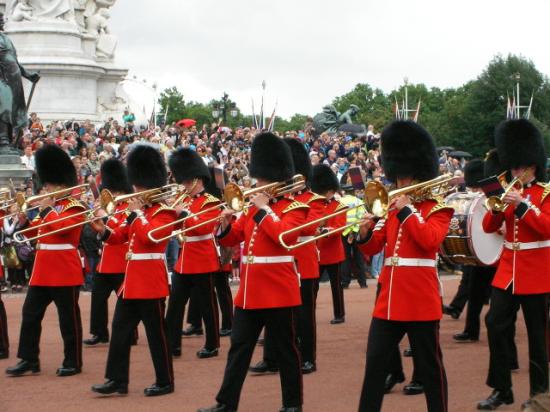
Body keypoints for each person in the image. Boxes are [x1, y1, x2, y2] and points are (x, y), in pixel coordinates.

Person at [198, 132, 307, 412]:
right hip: (250, 292)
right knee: (239, 349)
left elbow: (285, 236)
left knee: (286, 350)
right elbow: (232, 238)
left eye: (261, 180)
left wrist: (262, 210)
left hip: (279, 291)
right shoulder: (250, 208)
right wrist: (223, 225)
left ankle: (293, 404)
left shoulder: (294, 208)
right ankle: (226, 403)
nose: (256, 185)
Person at [357, 121, 453, 412]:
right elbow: (373, 248)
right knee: (375, 363)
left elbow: (429, 241)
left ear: (419, 175)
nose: (399, 184)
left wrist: (408, 210)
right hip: (389, 300)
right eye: (397, 177)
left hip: (420, 299)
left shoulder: (437, 208)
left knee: (430, 367)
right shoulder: (391, 209)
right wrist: (363, 232)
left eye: (405, 178)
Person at [90, 145, 176, 397]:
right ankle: (117, 380)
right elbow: (120, 238)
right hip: (131, 282)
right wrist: (101, 229)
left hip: (150, 281)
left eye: (139, 186)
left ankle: (165, 380)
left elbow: (150, 237)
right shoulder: (139, 213)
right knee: (119, 331)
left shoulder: (164, 212)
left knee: (156, 336)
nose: (135, 190)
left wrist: (137, 213)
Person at [477, 119, 550, 410]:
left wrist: (521, 204)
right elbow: (487, 225)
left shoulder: (545, 193)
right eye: (513, 166)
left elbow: (546, 227)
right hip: (508, 270)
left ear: (532, 165)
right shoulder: (509, 191)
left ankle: (541, 395)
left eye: (520, 167)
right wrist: (499, 202)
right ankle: (501, 388)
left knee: (537, 335)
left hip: (536, 271)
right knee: (494, 323)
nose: (515, 171)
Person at [6, 145, 85, 377]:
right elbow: (34, 234)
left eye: (49, 185)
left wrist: (48, 210)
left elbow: (62, 230)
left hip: (64, 269)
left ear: (62, 185)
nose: (45, 188)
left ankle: (73, 361)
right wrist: (22, 222)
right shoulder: (47, 208)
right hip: (42, 269)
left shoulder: (75, 207)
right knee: (30, 315)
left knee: (68, 320)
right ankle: (29, 359)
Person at [249, 138, 325, 375]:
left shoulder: (313, 201)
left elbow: (309, 229)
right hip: (278, 263)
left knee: (304, 315)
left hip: (303, 262)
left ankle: (308, 357)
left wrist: (279, 213)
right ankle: (271, 358)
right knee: (275, 312)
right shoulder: (278, 201)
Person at [165, 148, 221, 359]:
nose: (184, 185)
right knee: (175, 305)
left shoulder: (210, 202)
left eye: (187, 182)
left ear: (197, 180)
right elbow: (177, 227)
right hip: (184, 258)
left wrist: (184, 213)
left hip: (203, 258)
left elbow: (204, 228)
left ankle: (212, 343)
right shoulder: (185, 200)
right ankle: (172, 345)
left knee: (208, 306)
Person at [83, 158, 134, 346]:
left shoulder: (129, 207)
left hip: (121, 260)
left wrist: (105, 219)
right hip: (105, 261)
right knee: (97, 299)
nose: (112, 193)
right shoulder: (109, 206)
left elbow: (122, 230)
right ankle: (99, 333)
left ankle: (131, 333)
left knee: (127, 302)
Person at [311, 164, 347, 324]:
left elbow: (339, 228)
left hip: (333, 253)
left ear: (332, 190)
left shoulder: (339, 206)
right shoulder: (314, 205)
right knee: (313, 287)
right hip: (318, 252)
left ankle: (339, 314)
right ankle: (308, 312)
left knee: (336, 286)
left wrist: (324, 230)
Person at [340, 186, 368, 288]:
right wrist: (354, 230)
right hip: (356, 231)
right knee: (359, 257)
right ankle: (363, 283)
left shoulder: (340, 201)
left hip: (343, 232)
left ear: (344, 191)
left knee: (345, 258)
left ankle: (345, 283)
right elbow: (362, 217)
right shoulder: (358, 201)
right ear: (353, 191)